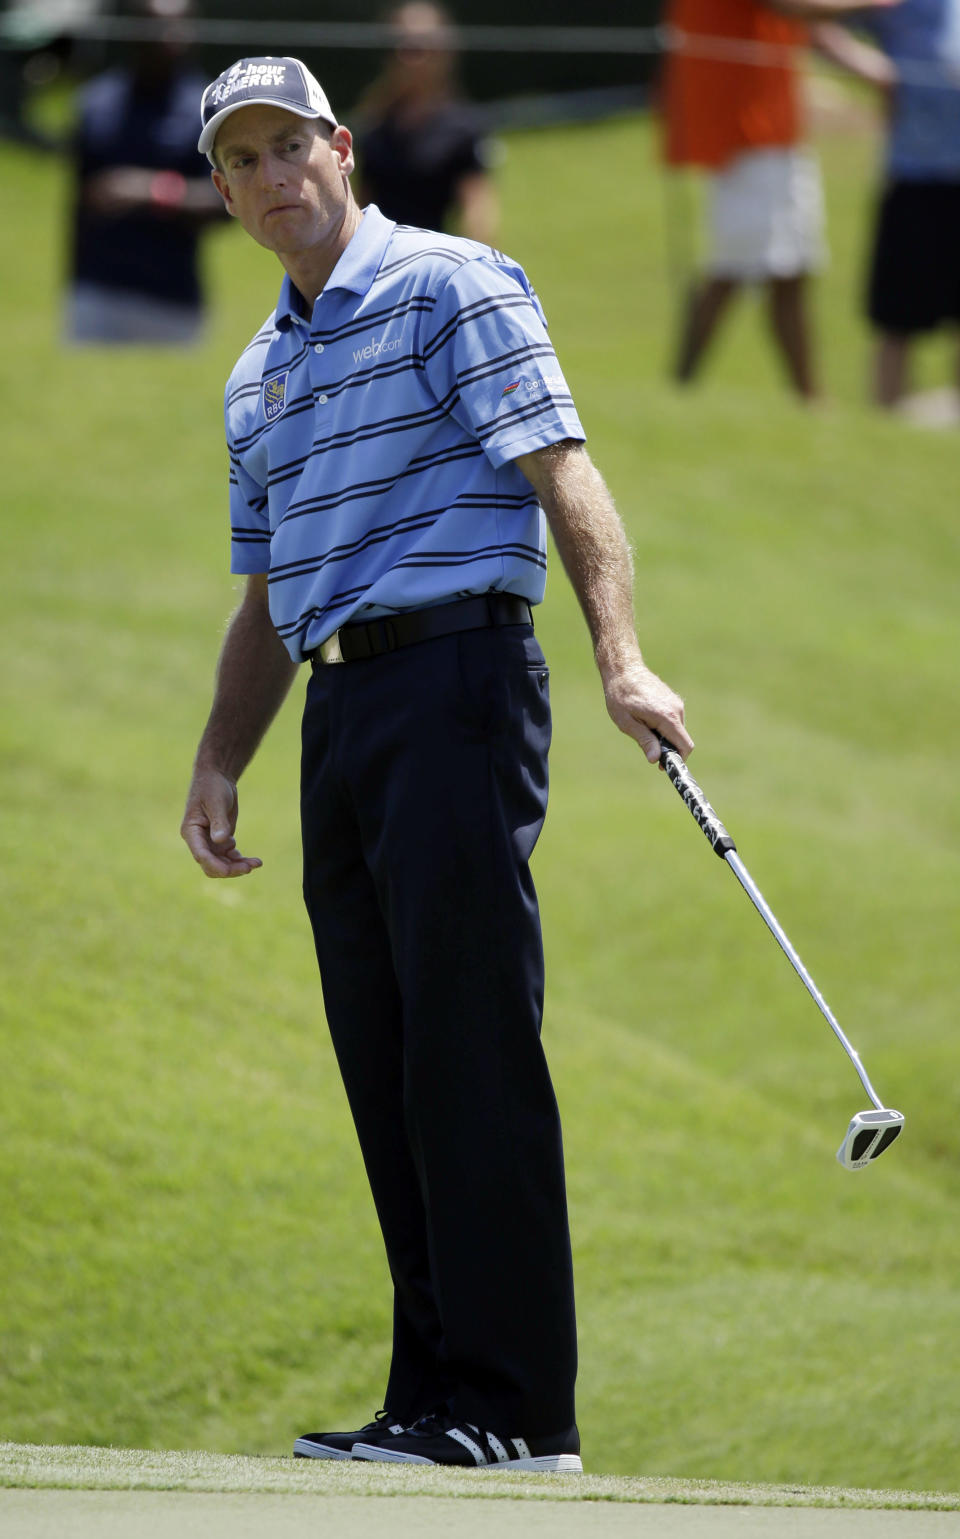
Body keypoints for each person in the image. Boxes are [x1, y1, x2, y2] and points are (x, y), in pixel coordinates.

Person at [180, 55, 693, 1471]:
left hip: (457, 677)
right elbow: (268, 591)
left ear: (344, 148)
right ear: (223, 192)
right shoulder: (258, 376)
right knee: (387, 1053)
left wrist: (621, 655)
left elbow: (562, 470)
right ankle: (435, 1395)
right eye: (244, 160)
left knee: (466, 1041)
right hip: (341, 719)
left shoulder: (455, 283)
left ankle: (520, 1409)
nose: (274, 176)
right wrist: (223, 755)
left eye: (293, 146)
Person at [659, 0, 897, 399]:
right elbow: (793, 5)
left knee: (790, 269)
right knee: (734, 268)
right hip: (742, 134)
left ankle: (808, 398)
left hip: (771, 131)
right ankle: (681, 388)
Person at [64, 0, 225, 345]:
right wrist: (74, 285)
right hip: (98, 292)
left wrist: (151, 191)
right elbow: (77, 207)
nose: (170, 38)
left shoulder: (207, 110)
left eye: (179, 27)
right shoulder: (96, 103)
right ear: (134, 32)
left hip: (170, 298)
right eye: (158, 28)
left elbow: (226, 203)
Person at [831, 0, 960, 408]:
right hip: (914, 172)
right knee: (897, 317)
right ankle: (885, 423)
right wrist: (872, 68)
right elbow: (810, 17)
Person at [351, 3, 498, 243]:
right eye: (398, 46)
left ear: (443, 53)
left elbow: (477, 213)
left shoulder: (462, 128)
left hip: (432, 264)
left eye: (418, 48)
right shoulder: (374, 125)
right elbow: (357, 209)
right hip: (378, 261)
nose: (407, 57)